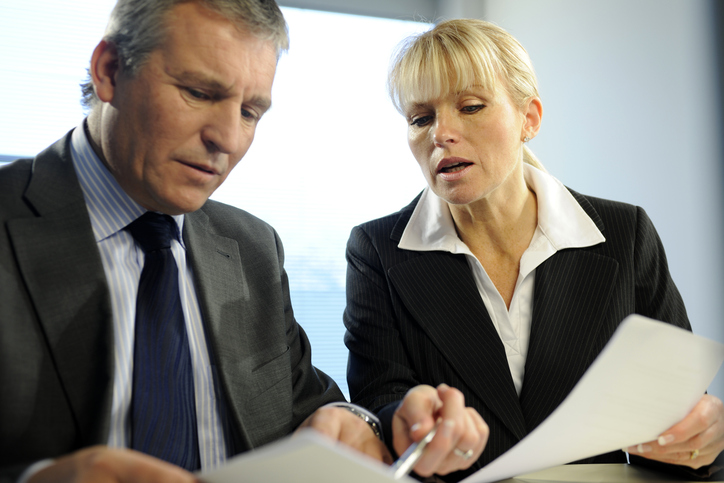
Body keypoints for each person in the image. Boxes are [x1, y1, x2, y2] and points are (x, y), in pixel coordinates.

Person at [0, 2, 490, 482]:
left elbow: (313, 408)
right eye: (198, 92)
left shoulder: (251, 246)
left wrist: (366, 425)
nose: (228, 139)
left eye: (251, 112)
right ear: (109, 70)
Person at [343, 18, 724, 482]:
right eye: (421, 118)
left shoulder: (626, 234)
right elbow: (379, 405)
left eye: (470, 106)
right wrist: (406, 424)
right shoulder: (377, 251)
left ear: (530, 118)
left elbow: (679, 413)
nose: (441, 133)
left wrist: (696, 442)